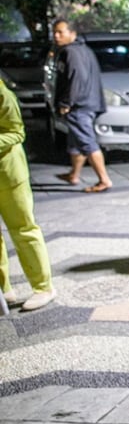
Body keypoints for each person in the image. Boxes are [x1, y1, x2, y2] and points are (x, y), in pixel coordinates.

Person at [0, 82, 55, 312]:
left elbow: (16, 131)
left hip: (9, 175)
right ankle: (5, 289)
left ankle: (43, 287)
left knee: (23, 229)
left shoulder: (3, 93)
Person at [52, 19, 112, 193]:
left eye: (60, 32)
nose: (56, 36)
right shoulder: (84, 50)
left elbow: (75, 79)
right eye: (54, 32)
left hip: (80, 105)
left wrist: (66, 103)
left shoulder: (70, 52)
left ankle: (104, 180)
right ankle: (74, 174)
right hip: (89, 102)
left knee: (87, 143)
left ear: (72, 34)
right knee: (76, 142)